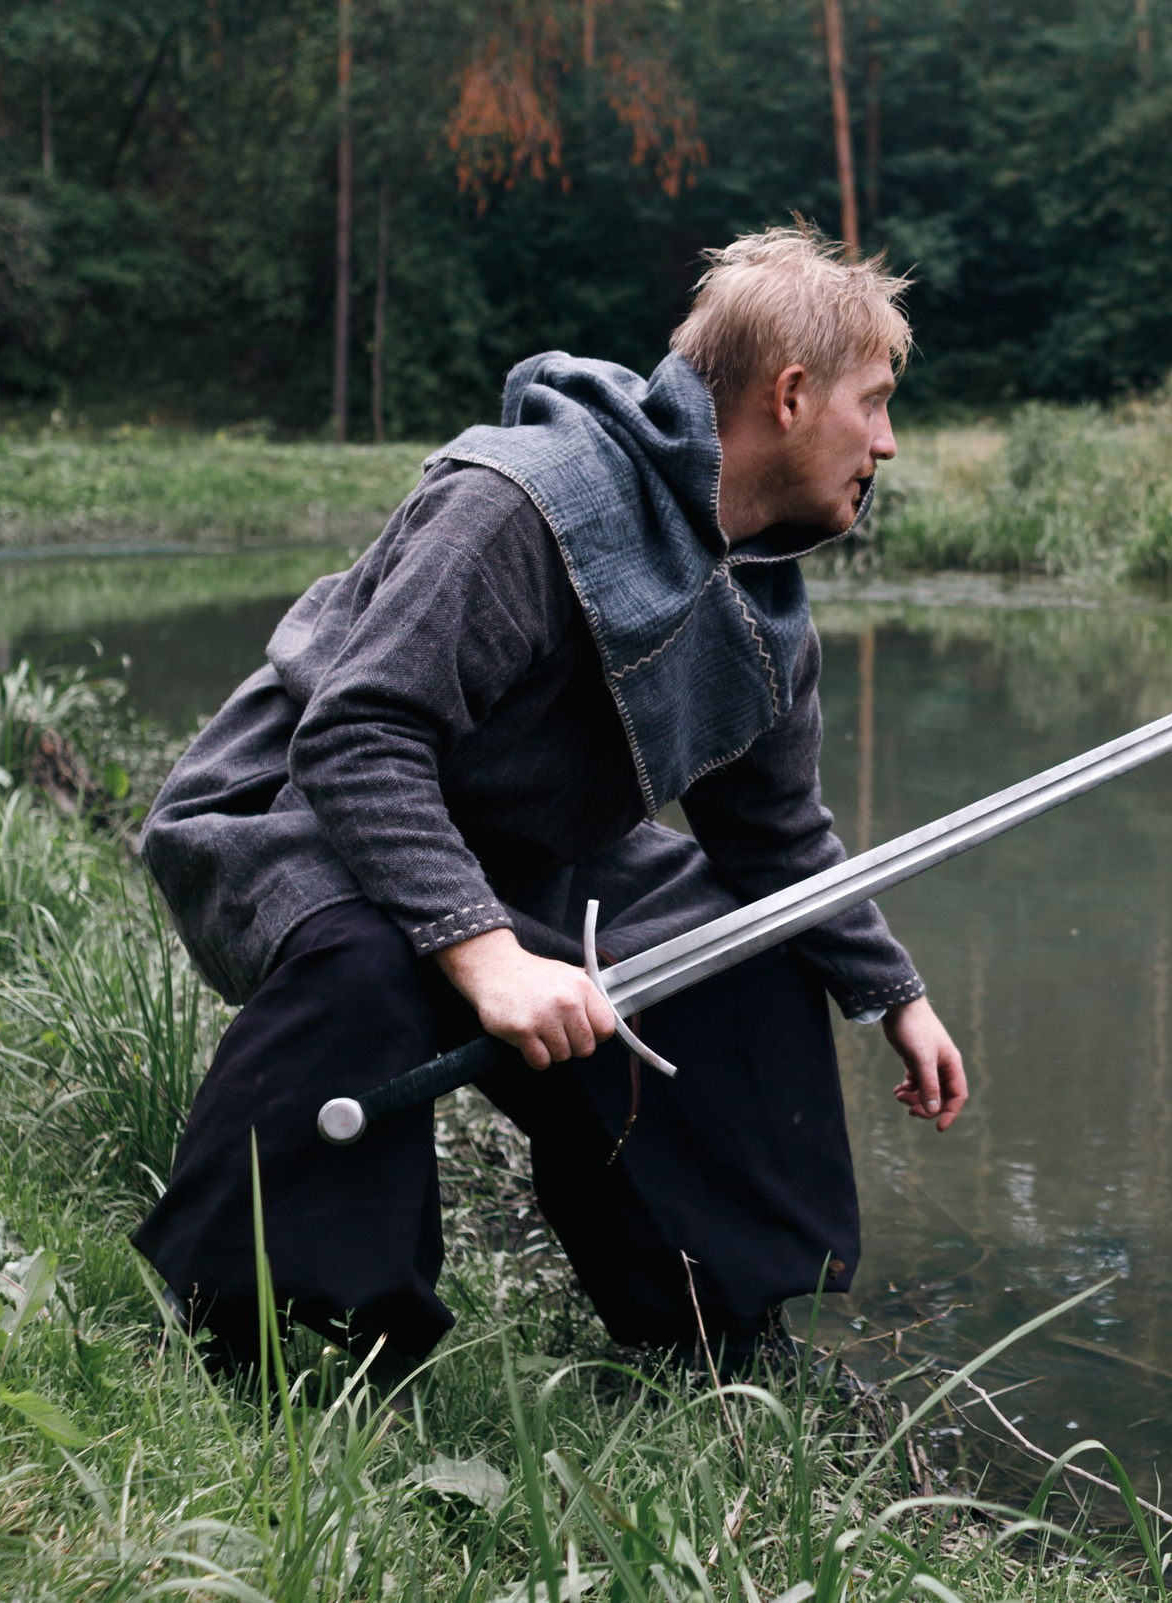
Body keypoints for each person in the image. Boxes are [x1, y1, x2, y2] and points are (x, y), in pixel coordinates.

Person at [134, 226, 967, 1374]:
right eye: (873, 403)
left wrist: (890, 995)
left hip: (516, 847)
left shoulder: (761, 598)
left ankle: (709, 1325)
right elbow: (360, 736)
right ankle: (279, 1339)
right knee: (372, 964)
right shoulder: (522, 501)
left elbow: (774, 835)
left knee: (743, 953)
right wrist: (486, 958)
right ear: (789, 395)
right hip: (294, 808)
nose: (886, 440)